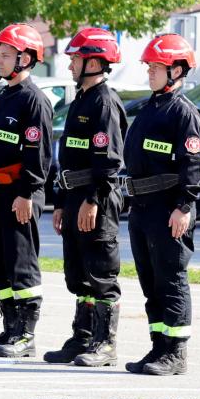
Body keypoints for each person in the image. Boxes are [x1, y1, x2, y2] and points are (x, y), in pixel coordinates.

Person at [123, 33, 200, 376]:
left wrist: (184, 207)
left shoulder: (183, 113)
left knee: (171, 280)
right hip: (143, 208)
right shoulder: (151, 108)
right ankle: (159, 346)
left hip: (169, 208)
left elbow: (193, 165)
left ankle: (176, 353)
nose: (150, 72)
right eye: (149, 67)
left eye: (156, 67)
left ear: (176, 70)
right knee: (151, 282)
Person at [45, 28, 127, 367]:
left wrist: (93, 199)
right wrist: (60, 203)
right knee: (78, 274)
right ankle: (82, 337)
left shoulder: (104, 103)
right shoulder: (81, 99)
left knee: (101, 273)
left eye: (75, 59)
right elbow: (70, 156)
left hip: (97, 200)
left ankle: (104, 344)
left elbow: (108, 160)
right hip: (74, 196)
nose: (70, 66)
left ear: (93, 63)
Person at [0, 23, 53, 358]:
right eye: (0, 54)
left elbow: (38, 153)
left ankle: (25, 334)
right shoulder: (4, 97)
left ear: (25, 58)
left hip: (19, 194)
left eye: (6, 54)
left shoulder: (33, 101)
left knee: (21, 262)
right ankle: (10, 327)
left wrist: (27, 192)